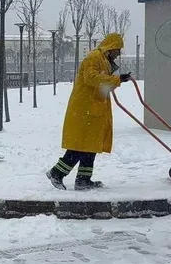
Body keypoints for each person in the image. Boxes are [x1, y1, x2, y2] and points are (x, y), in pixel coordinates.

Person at [46, 33, 132, 191]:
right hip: (84, 109)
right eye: (118, 50)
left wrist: (118, 80)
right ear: (111, 47)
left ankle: (83, 179)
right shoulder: (94, 58)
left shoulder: (104, 61)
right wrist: (116, 79)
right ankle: (56, 173)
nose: (119, 53)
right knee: (80, 145)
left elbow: (102, 84)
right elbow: (90, 78)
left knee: (91, 144)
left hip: (95, 108)